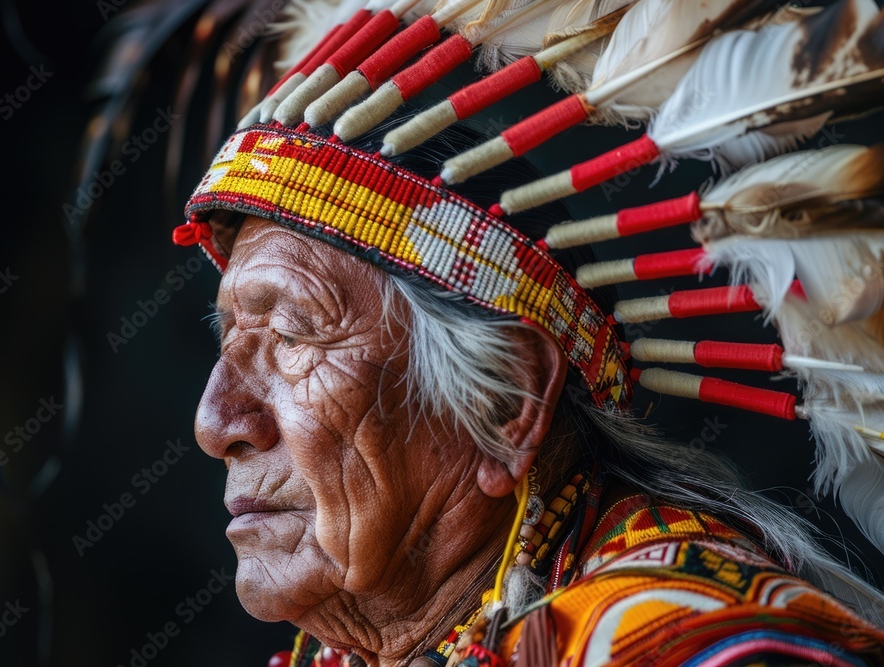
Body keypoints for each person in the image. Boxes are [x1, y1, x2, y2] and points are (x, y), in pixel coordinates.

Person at [175, 1, 884, 664]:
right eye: (228, 338)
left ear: (507, 405)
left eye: (294, 336)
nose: (217, 421)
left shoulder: (678, 641)